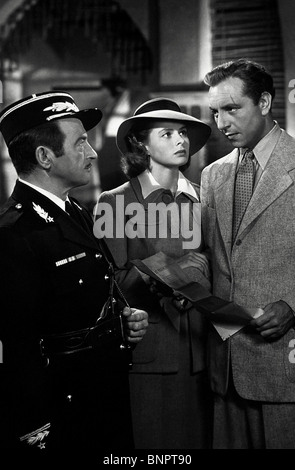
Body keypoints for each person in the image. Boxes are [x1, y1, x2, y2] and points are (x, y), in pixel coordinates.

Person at [0, 91, 148, 459]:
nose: (93, 152)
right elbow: (17, 344)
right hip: (62, 411)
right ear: (44, 157)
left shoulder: (76, 212)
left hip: (102, 393)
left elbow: (88, 294)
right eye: (80, 142)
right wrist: (34, 428)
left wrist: (121, 324)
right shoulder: (14, 232)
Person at [94, 97, 213, 449]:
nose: (181, 141)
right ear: (142, 144)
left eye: (183, 133)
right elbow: (109, 283)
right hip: (149, 353)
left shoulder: (204, 200)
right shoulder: (114, 202)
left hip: (201, 353)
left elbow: (217, 267)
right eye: (167, 134)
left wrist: (202, 271)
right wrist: (171, 274)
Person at [200, 58, 295, 449]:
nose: (221, 122)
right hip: (225, 366)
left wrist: (293, 303)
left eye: (232, 108)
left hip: (284, 364)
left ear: (266, 102)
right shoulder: (212, 174)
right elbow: (214, 255)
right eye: (215, 112)